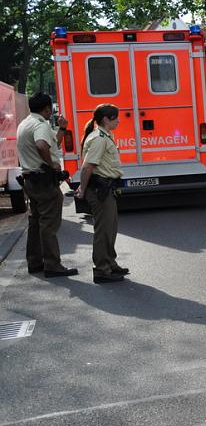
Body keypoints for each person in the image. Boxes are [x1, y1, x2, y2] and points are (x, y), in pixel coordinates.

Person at [16, 93, 78, 277]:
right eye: (50, 109)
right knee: (49, 225)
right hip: (44, 182)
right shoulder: (40, 124)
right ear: (47, 109)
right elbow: (42, 145)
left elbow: (52, 145)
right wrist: (52, 165)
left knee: (35, 223)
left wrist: (62, 129)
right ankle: (52, 265)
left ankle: (34, 262)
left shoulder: (25, 123)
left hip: (30, 180)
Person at [75, 104, 127, 284]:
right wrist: (82, 188)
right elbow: (88, 166)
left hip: (106, 188)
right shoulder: (99, 139)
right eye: (116, 117)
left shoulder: (106, 136)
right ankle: (102, 270)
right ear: (106, 119)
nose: (119, 120)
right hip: (99, 190)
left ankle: (110, 263)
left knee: (110, 228)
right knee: (103, 231)